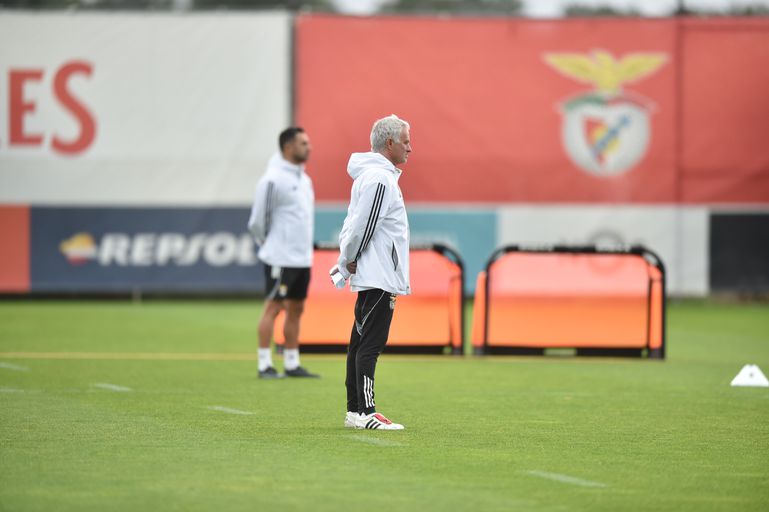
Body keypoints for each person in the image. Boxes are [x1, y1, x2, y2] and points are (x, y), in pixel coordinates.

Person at [331, 114, 412, 430]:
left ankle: (354, 410)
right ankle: (366, 411)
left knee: (360, 341)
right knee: (370, 344)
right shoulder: (379, 179)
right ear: (389, 143)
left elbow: (353, 224)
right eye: (406, 141)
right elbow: (364, 226)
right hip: (379, 273)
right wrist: (348, 259)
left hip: (374, 271)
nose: (410, 148)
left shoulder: (373, 177)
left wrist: (347, 258)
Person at [248, 127, 319, 379]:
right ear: (288, 147)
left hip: (301, 258)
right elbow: (258, 220)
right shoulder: (272, 179)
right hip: (280, 257)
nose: (308, 147)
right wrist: (270, 245)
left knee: (296, 308)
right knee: (273, 307)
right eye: (303, 142)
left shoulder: (304, 179)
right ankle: (264, 364)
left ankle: (291, 363)